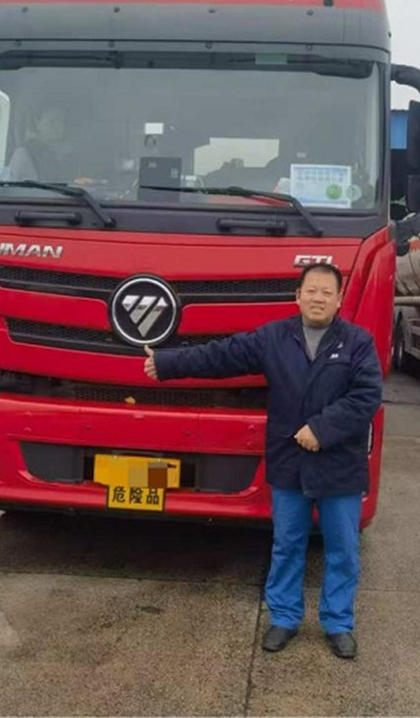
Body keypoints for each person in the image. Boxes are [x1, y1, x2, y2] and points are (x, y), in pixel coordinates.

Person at [144, 263, 382, 659]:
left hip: (340, 465)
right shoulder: (275, 337)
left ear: (339, 300)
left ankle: (338, 623)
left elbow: (367, 396)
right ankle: (284, 617)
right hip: (290, 461)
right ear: (298, 296)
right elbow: (222, 356)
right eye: (311, 291)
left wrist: (322, 428)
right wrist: (169, 363)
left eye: (327, 292)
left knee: (343, 549)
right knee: (287, 544)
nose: (318, 298)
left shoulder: (357, 342)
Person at [8, 106, 75, 183]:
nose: (57, 126)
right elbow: (23, 187)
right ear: (38, 124)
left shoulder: (69, 153)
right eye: (51, 122)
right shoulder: (24, 153)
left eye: (60, 121)